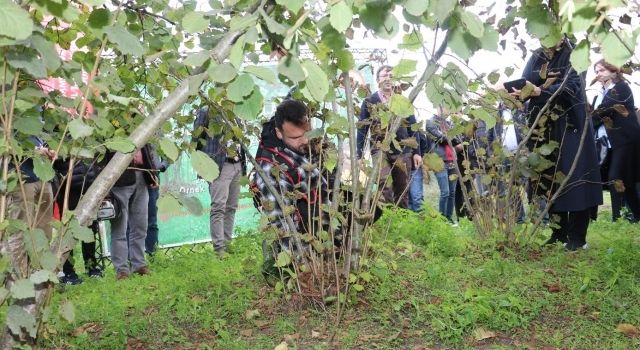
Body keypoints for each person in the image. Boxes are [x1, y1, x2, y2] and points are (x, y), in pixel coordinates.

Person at [514, 37, 602, 250]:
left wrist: (540, 92)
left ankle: (577, 237)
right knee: (550, 178)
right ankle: (558, 233)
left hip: (571, 124)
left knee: (576, 179)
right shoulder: (537, 56)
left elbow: (573, 86)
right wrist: (519, 92)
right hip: (544, 125)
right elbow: (525, 80)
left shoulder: (576, 51)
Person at [357, 65, 422, 209]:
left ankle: (401, 222)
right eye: (385, 76)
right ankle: (386, 218)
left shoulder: (402, 100)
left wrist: (417, 153)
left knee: (402, 188)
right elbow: (362, 129)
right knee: (384, 186)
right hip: (379, 150)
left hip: (402, 151)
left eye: (391, 76)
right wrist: (359, 155)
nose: (388, 79)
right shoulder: (370, 101)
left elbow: (413, 126)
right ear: (377, 80)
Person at [590, 59, 640, 223]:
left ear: (613, 71)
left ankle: (617, 218)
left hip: (625, 140)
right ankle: (636, 215)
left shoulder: (621, 88)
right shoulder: (598, 94)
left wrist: (588, 121)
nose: (598, 74)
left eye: (602, 70)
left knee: (616, 177)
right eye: (596, 71)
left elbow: (603, 111)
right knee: (626, 180)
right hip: (608, 143)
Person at [192, 107, 247, 256]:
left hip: (237, 163)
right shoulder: (206, 110)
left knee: (231, 207)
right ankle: (219, 249)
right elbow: (196, 139)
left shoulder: (237, 109)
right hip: (218, 166)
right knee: (218, 207)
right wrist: (203, 167)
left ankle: (227, 244)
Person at [109, 145, 158, 280]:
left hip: (142, 175)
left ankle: (139, 265)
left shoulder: (142, 125)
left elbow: (147, 151)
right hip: (119, 178)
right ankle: (121, 270)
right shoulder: (115, 124)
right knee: (120, 228)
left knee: (141, 225)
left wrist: (152, 174)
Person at [54, 158, 104, 284]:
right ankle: (68, 271)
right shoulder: (58, 139)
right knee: (68, 230)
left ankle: (91, 266)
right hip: (68, 190)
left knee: (90, 228)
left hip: (88, 186)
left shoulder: (87, 140)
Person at [426, 108, 461, 223]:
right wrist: (451, 137)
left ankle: (449, 218)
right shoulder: (430, 122)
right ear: (439, 108)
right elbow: (442, 139)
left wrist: (451, 137)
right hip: (440, 161)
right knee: (445, 192)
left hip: (453, 160)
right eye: (447, 108)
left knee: (452, 192)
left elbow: (458, 138)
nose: (449, 111)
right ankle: (442, 220)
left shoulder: (449, 123)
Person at [145, 150, 168, 255]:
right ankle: (131, 261)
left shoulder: (156, 133)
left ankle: (153, 255)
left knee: (151, 220)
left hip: (152, 178)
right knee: (128, 224)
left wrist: (162, 166)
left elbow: (167, 153)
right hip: (130, 179)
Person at [408, 129, 431, 212]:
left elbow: (425, 145)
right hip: (402, 166)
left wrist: (419, 154)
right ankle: (410, 221)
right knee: (407, 198)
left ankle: (420, 220)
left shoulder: (417, 131)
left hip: (415, 167)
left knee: (416, 196)